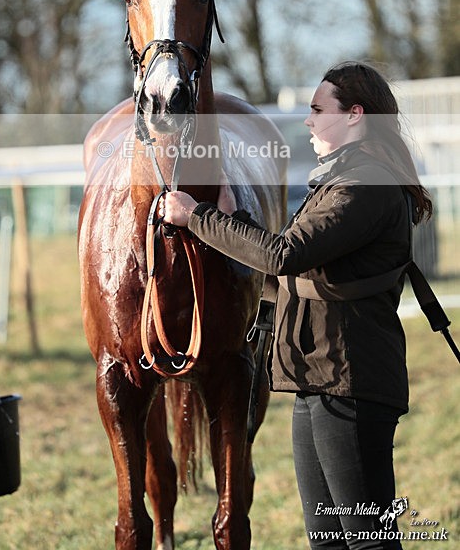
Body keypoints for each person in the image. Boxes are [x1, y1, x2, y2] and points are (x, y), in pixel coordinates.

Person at [160, 61, 432, 550]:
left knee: (368, 541)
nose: (307, 121)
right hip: (318, 378)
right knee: (326, 541)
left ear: (355, 115)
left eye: (316, 109)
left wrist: (195, 215)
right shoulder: (339, 180)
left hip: (350, 381)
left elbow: (284, 254)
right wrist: (232, 222)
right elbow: (297, 277)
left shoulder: (363, 185)